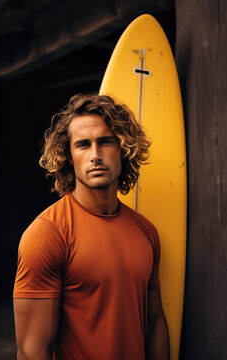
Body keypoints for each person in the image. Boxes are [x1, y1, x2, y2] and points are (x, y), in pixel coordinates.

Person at [13, 94, 170, 360]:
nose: (95, 155)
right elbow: (32, 351)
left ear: (123, 148)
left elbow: (154, 322)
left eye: (105, 142)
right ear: (68, 156)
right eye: (83, 145)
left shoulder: (146, 231)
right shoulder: (47, 234)